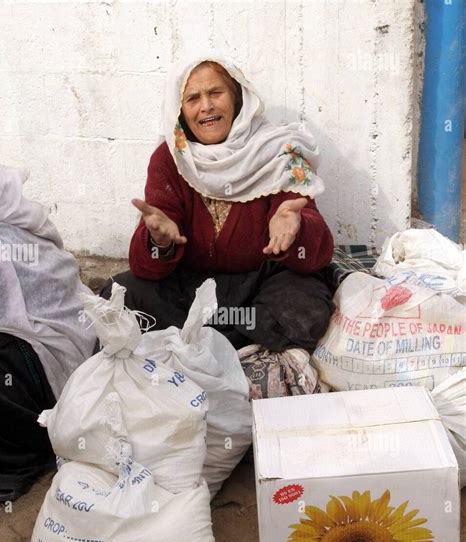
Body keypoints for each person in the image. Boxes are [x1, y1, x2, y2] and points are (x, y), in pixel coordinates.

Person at [101, 54, 334, 352]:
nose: (206, 106)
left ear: (237, 99)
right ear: (181, 111)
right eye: (193, 98)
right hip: (190, 291)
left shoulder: (279, 151)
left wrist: (296, 228)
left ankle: (199, 345)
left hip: (257, 288)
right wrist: (160, 242)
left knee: (304, 307)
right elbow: (144, 267)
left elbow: (317, 254)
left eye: (215, 93)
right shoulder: (171, 158)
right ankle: (236, 344)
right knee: (121, 295)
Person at [0, 163, 96, 501]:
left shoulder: (5, 237)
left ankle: (18, 463)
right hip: (62, 349)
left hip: (41, 360)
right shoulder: (27, 217)